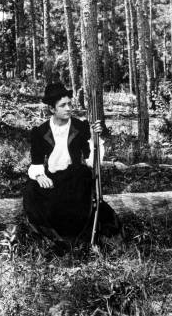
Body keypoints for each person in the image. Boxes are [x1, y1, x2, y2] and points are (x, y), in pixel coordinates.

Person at [23, 83, 104, 243]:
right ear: (52, 109)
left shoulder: (80, 127)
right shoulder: (40, 132)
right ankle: (50, 238)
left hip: (75, 176)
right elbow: (37, 162)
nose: (68, 108)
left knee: (78, 192)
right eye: (63, 105)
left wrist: (96, 139)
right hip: (53, 177)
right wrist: (39, 176)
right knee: (31, 190)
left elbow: (91, 161)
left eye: (69, 104)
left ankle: (76, 237)